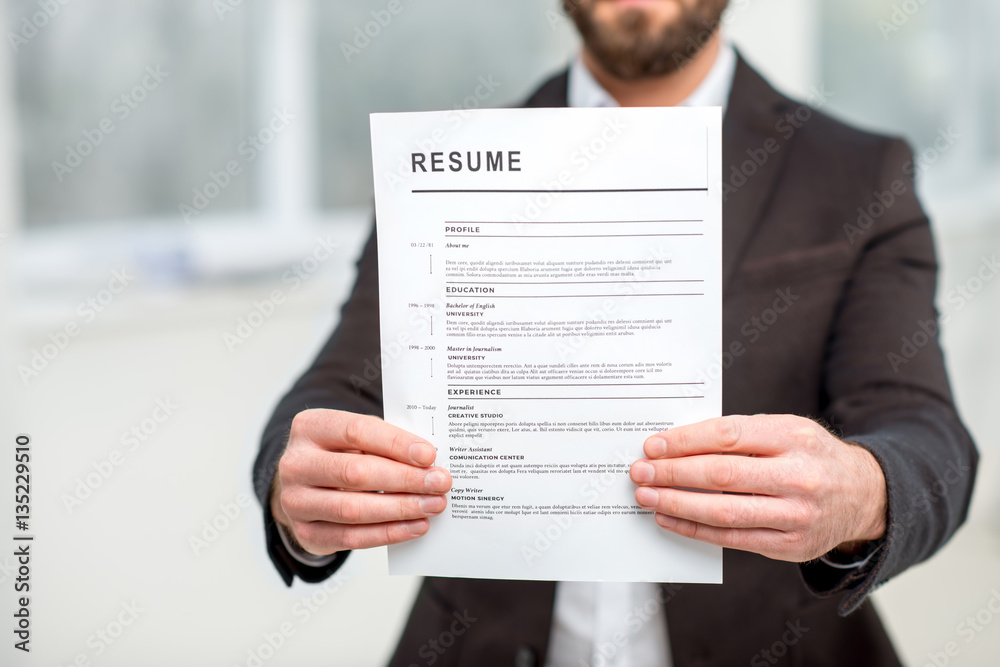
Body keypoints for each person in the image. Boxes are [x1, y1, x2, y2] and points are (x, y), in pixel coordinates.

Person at [253, 1, 978, 665]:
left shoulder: (856, 175)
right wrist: (299, 488)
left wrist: (859, 491)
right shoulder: (441, 168)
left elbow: (927, 434)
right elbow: (333, 388)